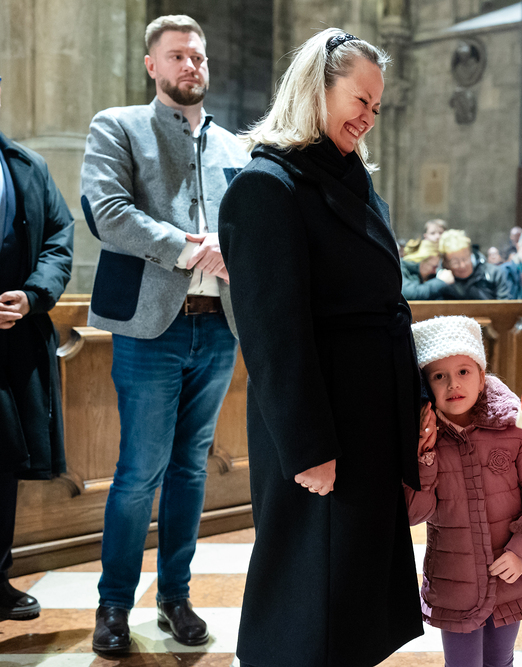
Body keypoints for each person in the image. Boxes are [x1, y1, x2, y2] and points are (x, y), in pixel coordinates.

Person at [218, 28, 433, 667]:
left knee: (353, 587)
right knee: (308, 585)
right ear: (317, 89)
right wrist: (309, 447)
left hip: (369, 416)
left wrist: (414, 398)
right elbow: (272, 335)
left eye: (376, 107)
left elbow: (387, 300)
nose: (368, 118)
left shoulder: (352, 179)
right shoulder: (268, 185)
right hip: (321, 422)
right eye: (360, 100)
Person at [80, 15, 248, 654]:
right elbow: (109, 213)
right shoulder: (118, 126)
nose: (190, 65)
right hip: (151, 329)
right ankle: (114, 606)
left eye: (197, 56)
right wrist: (191, 249)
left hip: (219, 328)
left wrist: (236, 249)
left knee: (190, 469)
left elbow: (253, 228)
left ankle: (175, 596)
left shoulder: (236, 149)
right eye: (176, 55)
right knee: (138, 473)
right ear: (152, 65)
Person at [406, 316, 522, 667]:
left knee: (499, 660)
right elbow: (415, 513)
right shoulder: (423, 441)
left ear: (481, 376)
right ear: (425, 386)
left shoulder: (517, 429)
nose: (453, 384)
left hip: (510, 576)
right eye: (439, 376)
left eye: (463, 371)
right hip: (455, 581)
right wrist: (424, 456)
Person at [0, 76, 74, 622]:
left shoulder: (27, 165)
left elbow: (58, 238)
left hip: (12, 341)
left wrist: (31, 295)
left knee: (2, 466)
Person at [439, 229, 513, 300]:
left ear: (471, 254)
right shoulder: (441, 280)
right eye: (455, 262)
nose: (462, 265)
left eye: (465, 259)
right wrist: (438, 283)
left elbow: (505, 305)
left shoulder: (494, 273)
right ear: (446, 263)